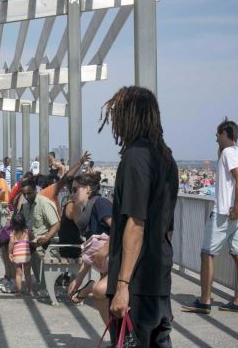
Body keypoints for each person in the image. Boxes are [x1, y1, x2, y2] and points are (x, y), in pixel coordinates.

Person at [99, 86, 178, 347]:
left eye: (118, 114)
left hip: (136, 285)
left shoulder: (135, 157)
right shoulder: (166, 158)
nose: (115, 122)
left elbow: (135, 224)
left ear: (130, 116)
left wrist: (122, 286)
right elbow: (167, 228)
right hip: (158, 283)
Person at [183, 118, 238, 314]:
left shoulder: (229, 153)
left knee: (207, 254)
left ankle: (204, 301)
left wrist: (235, 207)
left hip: (225, 212)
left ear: (223, 133)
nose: (215, 138)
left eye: (217, 134)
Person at [65, 172, 113, 326]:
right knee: (104, 301)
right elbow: (90, 252)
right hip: (106, 266)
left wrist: (105, 248)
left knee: (99, 291)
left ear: (88, 189)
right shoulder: (87, 212)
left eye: (75, 189)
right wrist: (78, 280)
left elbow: (121, 228)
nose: (72, 194)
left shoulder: (101, 204)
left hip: (121, 262)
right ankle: (117, 338)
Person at [17, 178, 61, 298]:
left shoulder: (44, 203)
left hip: (45, 244)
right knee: (8, 248)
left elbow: (56, 224)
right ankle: (14, 280)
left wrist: (46, 238)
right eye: (24, 193)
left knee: (32, 251)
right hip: (31, 242)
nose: (26, 196)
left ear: (35, 190)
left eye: (29, 193)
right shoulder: (25, 206)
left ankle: (45, 284)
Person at [9, 213, 33, 296]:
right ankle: (29, 291)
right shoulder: (27, 231)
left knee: (18, 274)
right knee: (27, 274)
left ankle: (19, 292)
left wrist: (10, 253)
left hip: (17, 256)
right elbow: (32, 238)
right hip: (26, 256)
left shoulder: (13, 233)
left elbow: (11, 243)